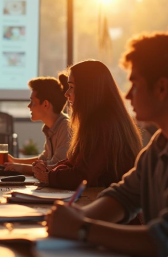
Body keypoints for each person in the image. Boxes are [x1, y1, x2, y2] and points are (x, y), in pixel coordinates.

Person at [46, 33, 168, 257]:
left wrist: (82, 229)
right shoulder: (159, 144)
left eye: (135, 83)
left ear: (161, 88)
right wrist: (77, 216)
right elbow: (124, 196)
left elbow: (163, 241)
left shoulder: (105, 126)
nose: (128, 95)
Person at [33, 60, 142, 190]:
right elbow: (78, 163)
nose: (67, 93)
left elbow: (82, 176)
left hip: (110, 205)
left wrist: (48, 177)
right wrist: (49, 169)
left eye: (72, 87)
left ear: (88, 90)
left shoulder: (103, 123)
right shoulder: (102, 119)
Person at [4, 75, 71, 175]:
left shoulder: (66, 127)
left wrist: (21, 168)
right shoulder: (50, 128)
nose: (29, 106)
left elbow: (56, 166)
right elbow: (42, 160)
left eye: (32, 101)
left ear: (45, 104)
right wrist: (14, 161)